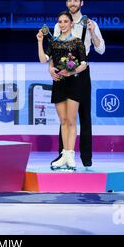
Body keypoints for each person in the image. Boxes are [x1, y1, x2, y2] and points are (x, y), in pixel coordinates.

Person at [51, 0, 105, 167]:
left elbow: (101, 49)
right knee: (65, 117)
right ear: (66, 3)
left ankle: (86, 158)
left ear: (82, 3)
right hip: (62, 72)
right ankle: (63, 154)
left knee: (84, 115)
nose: (72, 3)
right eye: (69, 0)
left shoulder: (90, 23)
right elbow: (53, 50)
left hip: (81, 71)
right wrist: (52, 68)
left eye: (76, 0)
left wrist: (92, 32)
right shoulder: (60, 24)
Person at [37, 11, 88, 170]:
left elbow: (84, 64)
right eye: (60, 21)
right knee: (63, 121)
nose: (63, 24)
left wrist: (72, 72)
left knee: (72, 120)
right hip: (59, 83)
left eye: (66, 21)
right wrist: (40, 42)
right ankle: (64, 155)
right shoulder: (54, 42)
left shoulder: (77, 42)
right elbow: (44, 60)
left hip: (74, 83)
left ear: (71, 24)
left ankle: (71, 155)